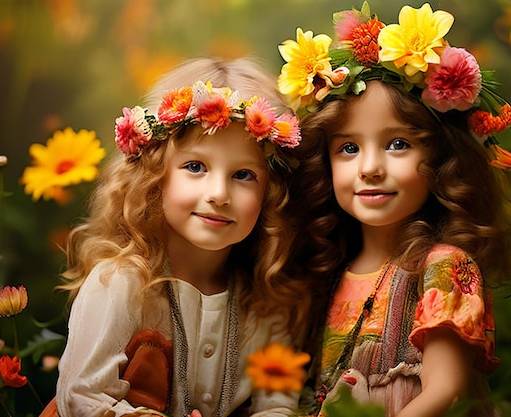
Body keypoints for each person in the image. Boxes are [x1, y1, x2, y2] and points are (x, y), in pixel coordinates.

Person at [278, 3, 511, 416]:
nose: (371, 168)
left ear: (442, 159)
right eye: (349, 148)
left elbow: (445, 389)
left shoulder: (442, 265)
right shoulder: (329, 272)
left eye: (397, 144)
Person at [40, 57, 310, 417]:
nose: (218, 193)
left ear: (271, 194)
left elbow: (278, 405)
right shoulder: (120, 285)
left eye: (243, 174)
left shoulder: (266, 305)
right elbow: (83, 398)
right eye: (195, 167)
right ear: (154, 177)